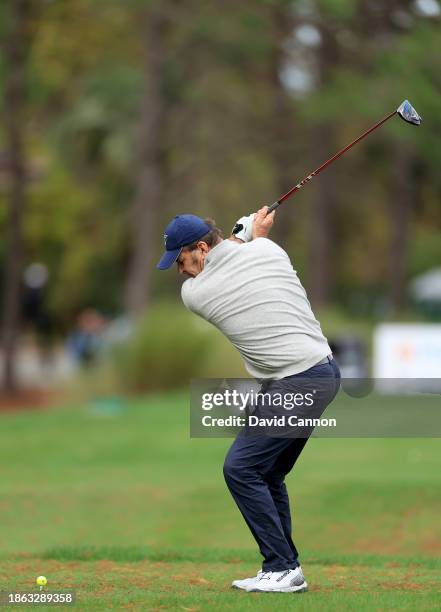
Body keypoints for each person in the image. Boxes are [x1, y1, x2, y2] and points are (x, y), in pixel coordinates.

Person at [157, 207, 340, 594]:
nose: (181, 271)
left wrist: (246, 232)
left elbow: (232, 256)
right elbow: (245, 251)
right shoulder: (271, 252)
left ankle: (282, 567)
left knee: (240, 468)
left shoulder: (196, 294)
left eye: (182, 260)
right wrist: (252, 233)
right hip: (322, 374)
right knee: (268, 473)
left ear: (202, 248)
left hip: (297, 383)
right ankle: (284, 567)